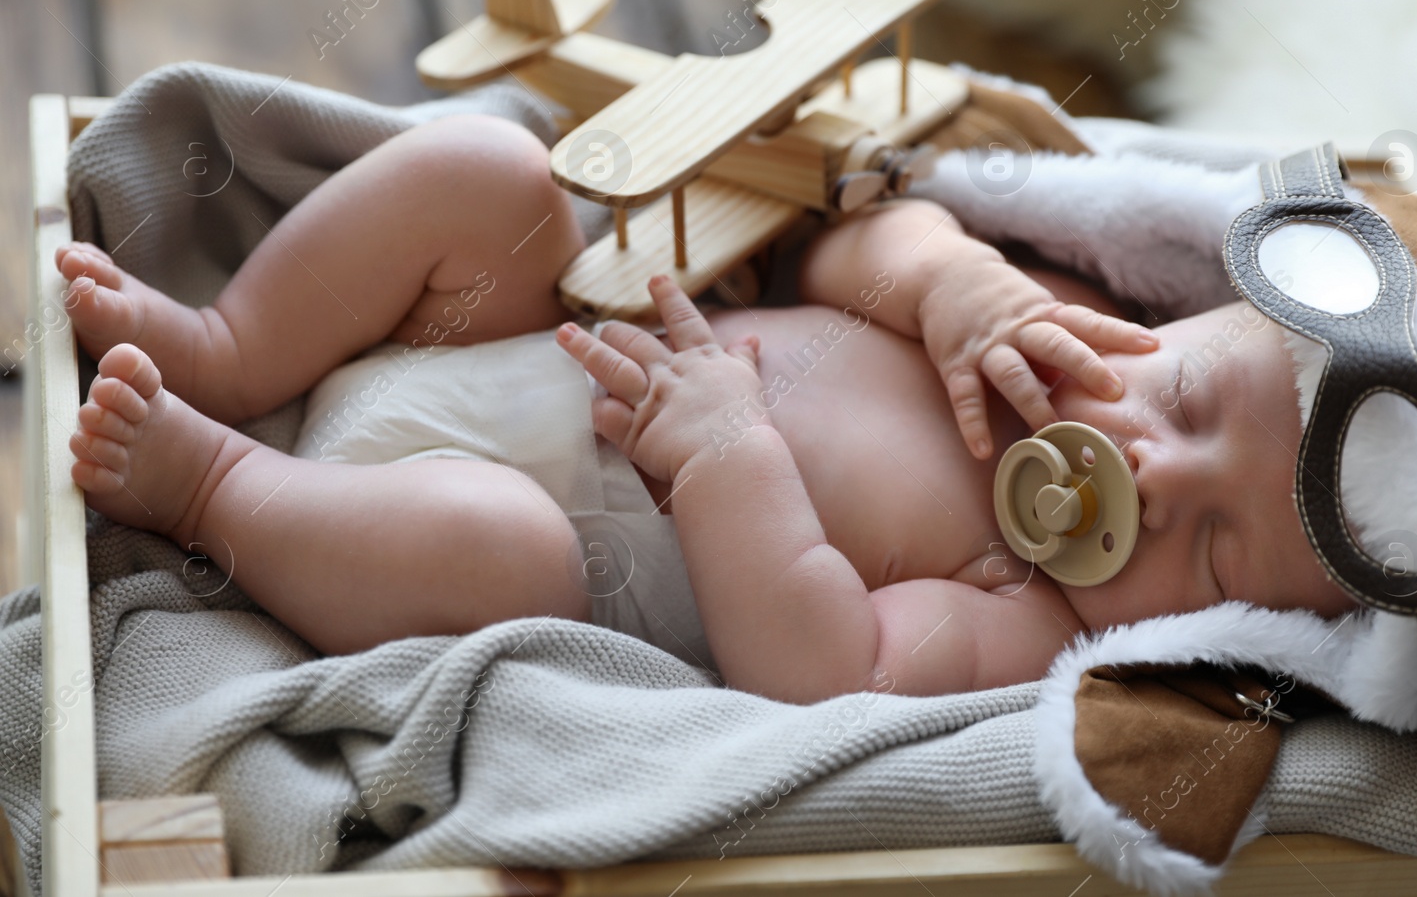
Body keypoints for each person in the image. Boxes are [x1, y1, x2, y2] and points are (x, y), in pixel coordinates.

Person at [56, 114, 1351, 705]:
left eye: (1216, 549)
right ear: (1175, 322)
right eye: (1182, 394)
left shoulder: (1023, 610)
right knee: (493, 175)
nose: (1152, 466)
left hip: (453, 523)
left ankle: (211, 481)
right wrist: (956, 278)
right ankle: (230, 348)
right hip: (504, 338)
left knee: (505, 555)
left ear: (1231, 645)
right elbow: (833, 254)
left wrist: (732, 448)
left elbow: (824, 672)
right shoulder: (1045, 316)